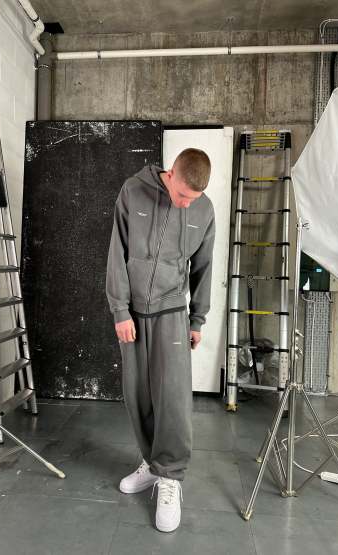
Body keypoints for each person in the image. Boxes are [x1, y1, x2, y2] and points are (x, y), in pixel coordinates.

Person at [106, 148, 215, 532]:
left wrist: (197, 319)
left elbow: (203, 267)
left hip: (171, 312)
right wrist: (120, 310)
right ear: (171, 174)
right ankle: (152, 464)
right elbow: (117, 252)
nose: (186, 204)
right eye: (182, 195)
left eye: (193, 199)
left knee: (172, 396)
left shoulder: (204, 210)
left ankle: (170, 475)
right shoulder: (133, 191)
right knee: (138, 393)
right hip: (133, 311)